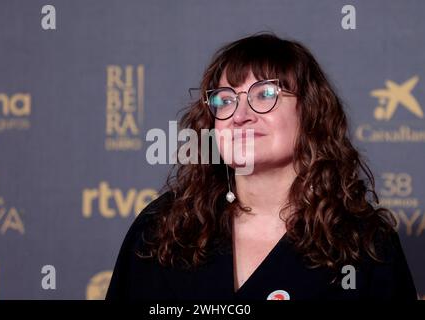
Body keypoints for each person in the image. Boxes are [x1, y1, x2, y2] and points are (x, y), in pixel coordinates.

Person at [106, 32, 417, 300]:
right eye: (225, 100)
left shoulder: (363, 244)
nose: (240, 114)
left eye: (265, 94)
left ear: (310, 114)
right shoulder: (163, 228)